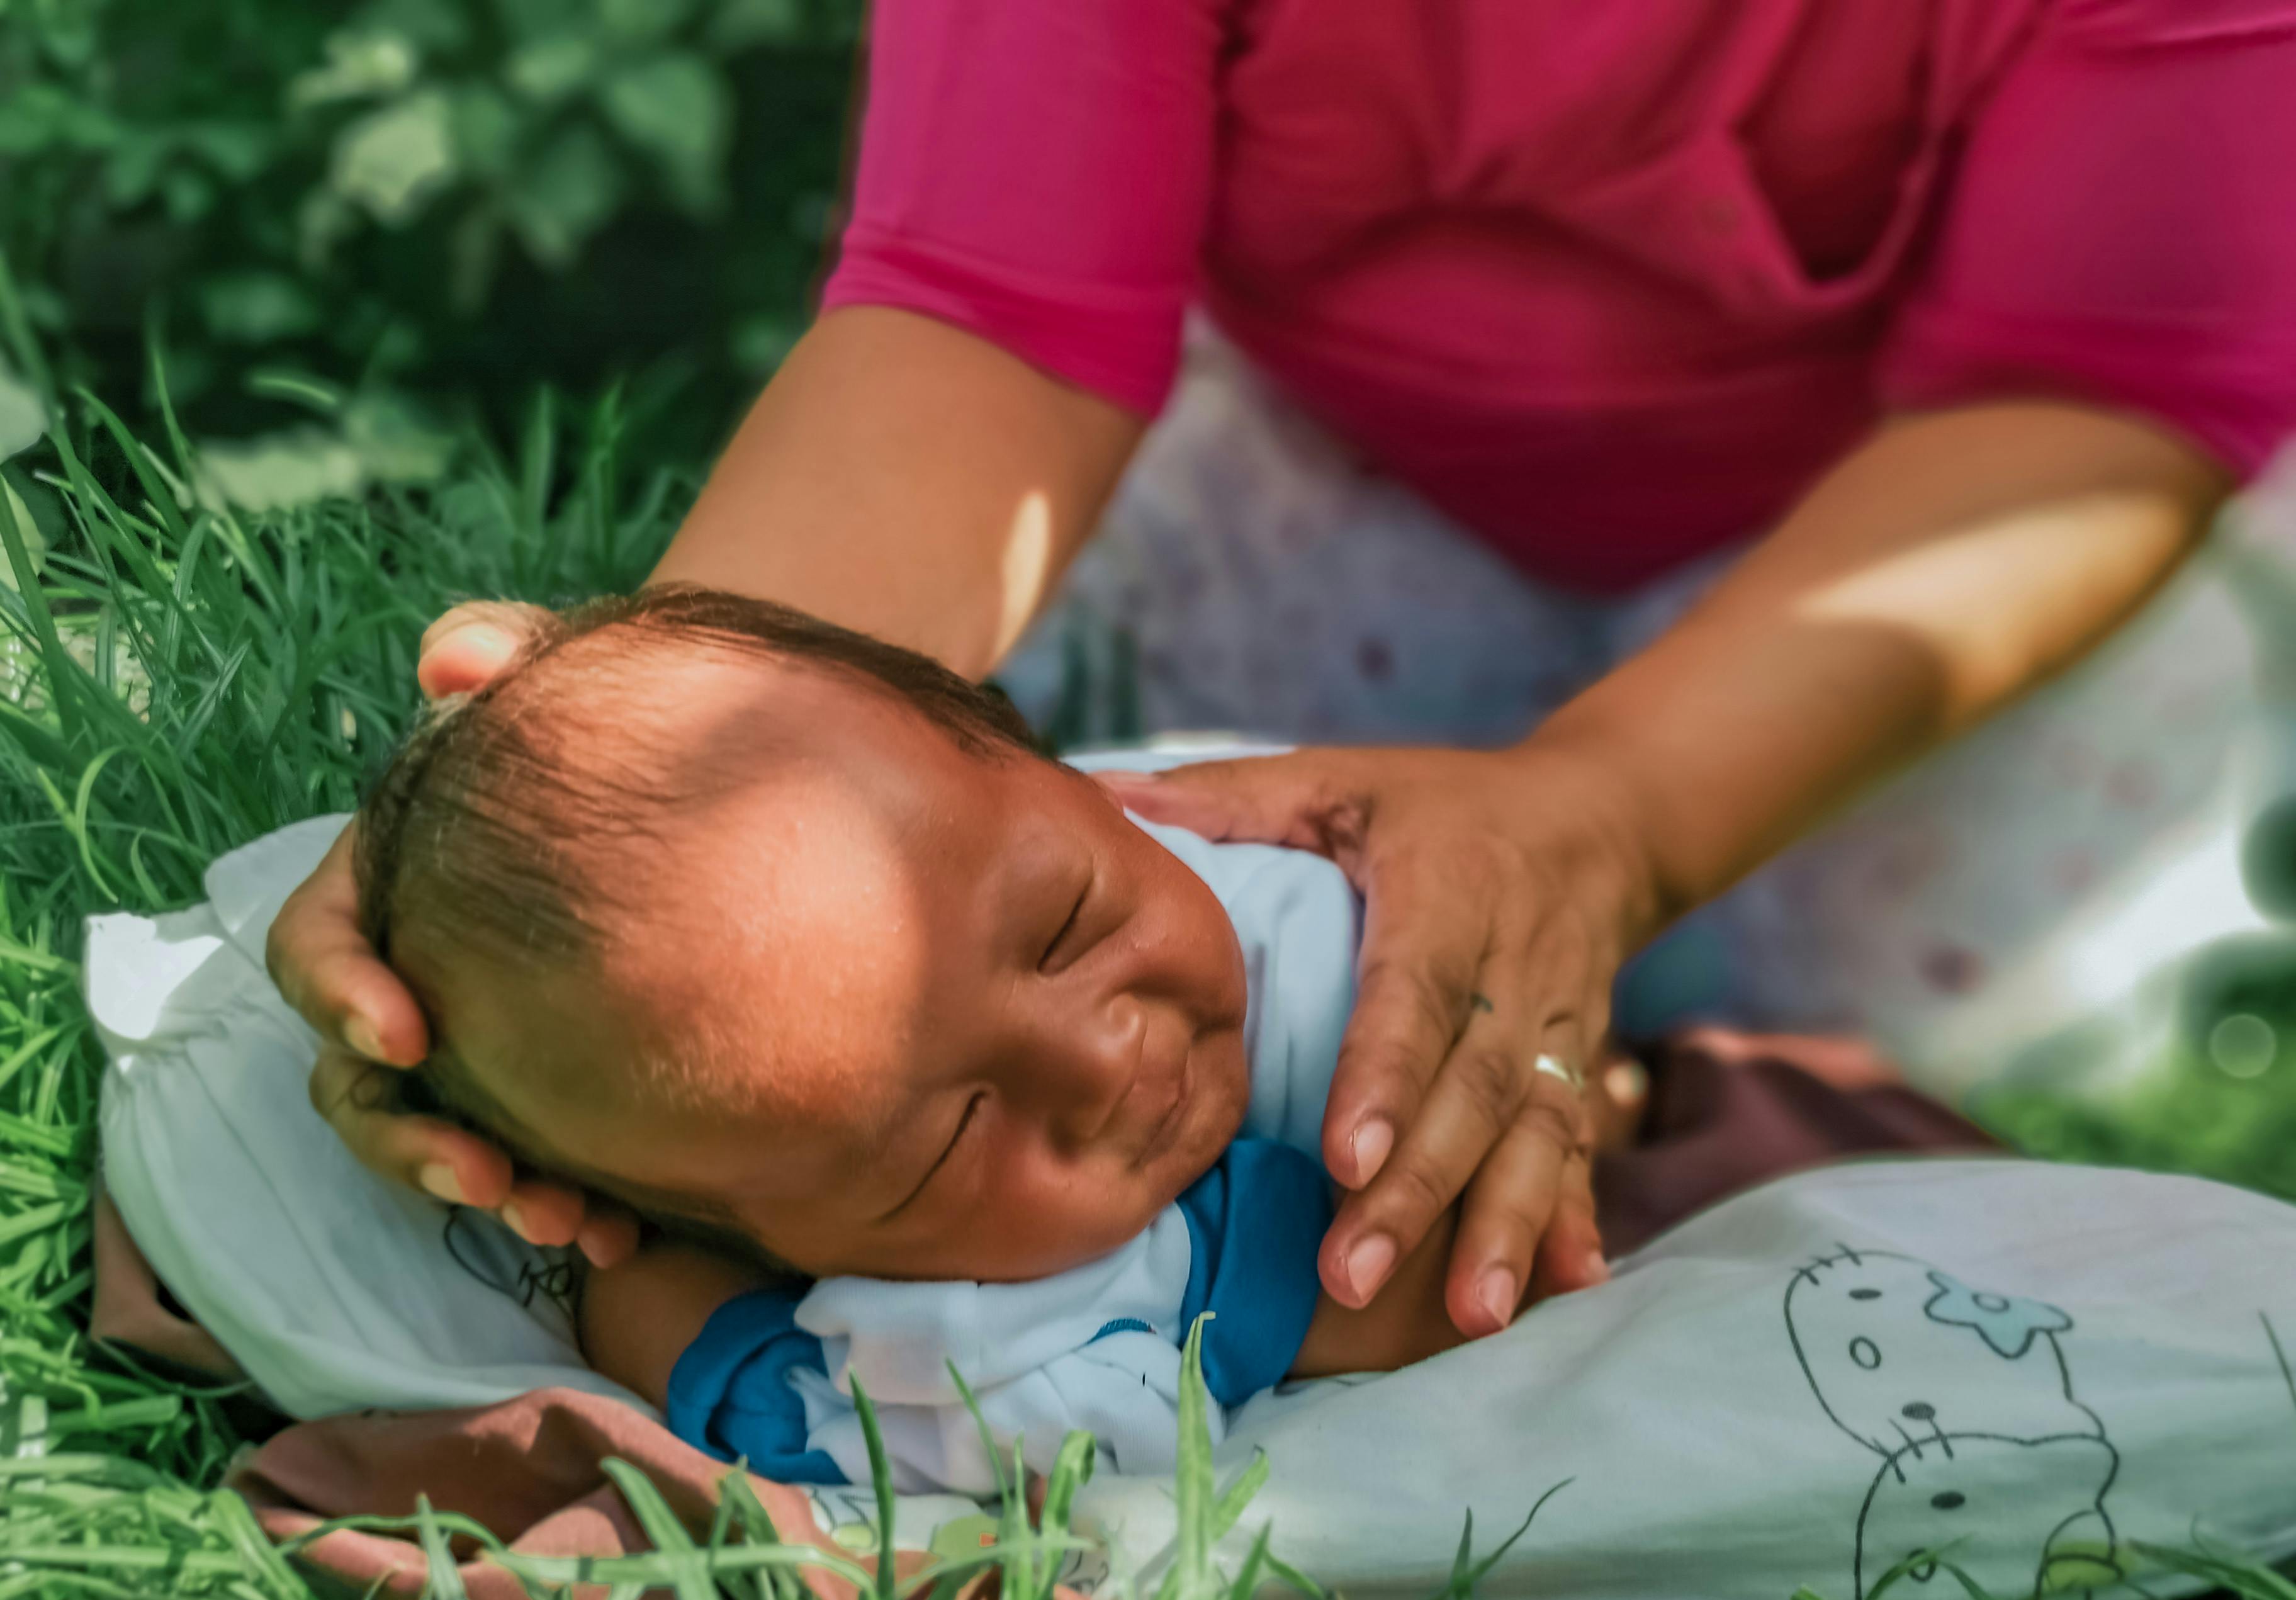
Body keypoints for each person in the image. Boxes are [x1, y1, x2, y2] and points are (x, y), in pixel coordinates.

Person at [268, 0, 2296, 1344]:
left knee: (1890, 1015)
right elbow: (996, 309)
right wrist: (645, 799)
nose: (1110, 1062)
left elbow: (2091, 392)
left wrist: (1616, 815)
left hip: (1921, 543)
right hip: (1342, 472)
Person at [352, 587, 1479, 1493]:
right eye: (951, 1143)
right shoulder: (995, 1345)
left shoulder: (1205, 825)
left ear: (1028, 749)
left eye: (1067, 928)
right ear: (796, 1255)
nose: (1100, 1063)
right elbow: (757, 1383)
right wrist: (650, 1296)